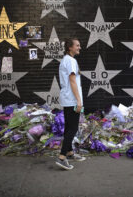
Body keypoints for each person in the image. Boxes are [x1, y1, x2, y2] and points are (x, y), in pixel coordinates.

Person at [56, 38, 86, 170]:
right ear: (70, 48)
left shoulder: (66, 60)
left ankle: (69, 152)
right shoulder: (71, 61)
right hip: (72, 100)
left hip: (67, 99)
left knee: (69, 128)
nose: (79, 47)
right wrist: (79, 101)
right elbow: (73, 81)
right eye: (77, 45)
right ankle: (62, 157)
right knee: (73, 129)